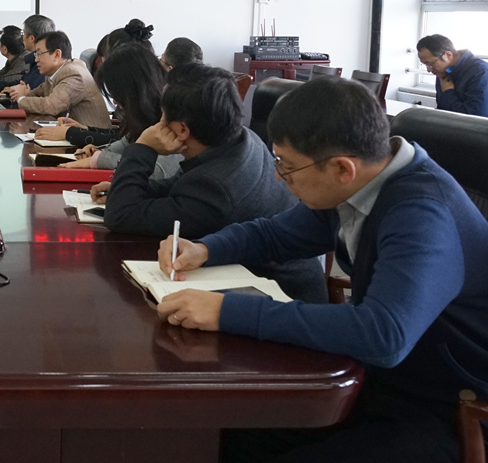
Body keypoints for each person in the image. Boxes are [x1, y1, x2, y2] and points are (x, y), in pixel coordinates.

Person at [156, 76, 488, 463]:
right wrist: (206, 248)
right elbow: (275, 234)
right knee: (237, 432)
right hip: (396, 386)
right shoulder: (360, 183)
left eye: (287, 166)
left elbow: (383, 335)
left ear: (341, 168)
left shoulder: (423, 213)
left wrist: (226, 310)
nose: (280, 177)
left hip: (458, 417)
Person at [94, 62, 325, 302]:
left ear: (182, 130)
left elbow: (120, 216)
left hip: (282, 300)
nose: (158, 122)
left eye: (163, 114)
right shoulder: (242, 139)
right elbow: (181, 189)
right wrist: (134, 189)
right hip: (259, 280)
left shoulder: (216, 188)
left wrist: (143, 147)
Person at [40, 43, 180, 179]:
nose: (115, 102)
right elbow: (126, 142)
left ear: (135, 90)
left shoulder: (173, 113)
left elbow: (157, 172)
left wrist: (100, 159)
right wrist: (100, 152)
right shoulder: (144, 114)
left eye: (118, 95)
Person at [6, 30, 111, 129]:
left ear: (57, 54)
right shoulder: (55, 72)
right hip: (70, 132)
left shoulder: (74, 74)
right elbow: (38, 93)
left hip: (90, 137)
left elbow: (51, 106)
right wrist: (23, 93)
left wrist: (21, 98)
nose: (36, 59)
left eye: (39, 54)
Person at [416, 33, 488, 116]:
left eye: (430, 64)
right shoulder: (443, 70)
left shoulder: (481, 72)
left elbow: (475, 117)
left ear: (448, 55)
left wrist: (448, 92)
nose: (429, 70)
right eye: (425, 64)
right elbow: (442, 109)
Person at [0, 14, 55, 93]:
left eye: (24, 33)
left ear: (31, 38)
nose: (22, 38)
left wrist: (13, 89)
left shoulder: (43, 62)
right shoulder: (34, 58)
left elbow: (29, 87)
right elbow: (24, 82)